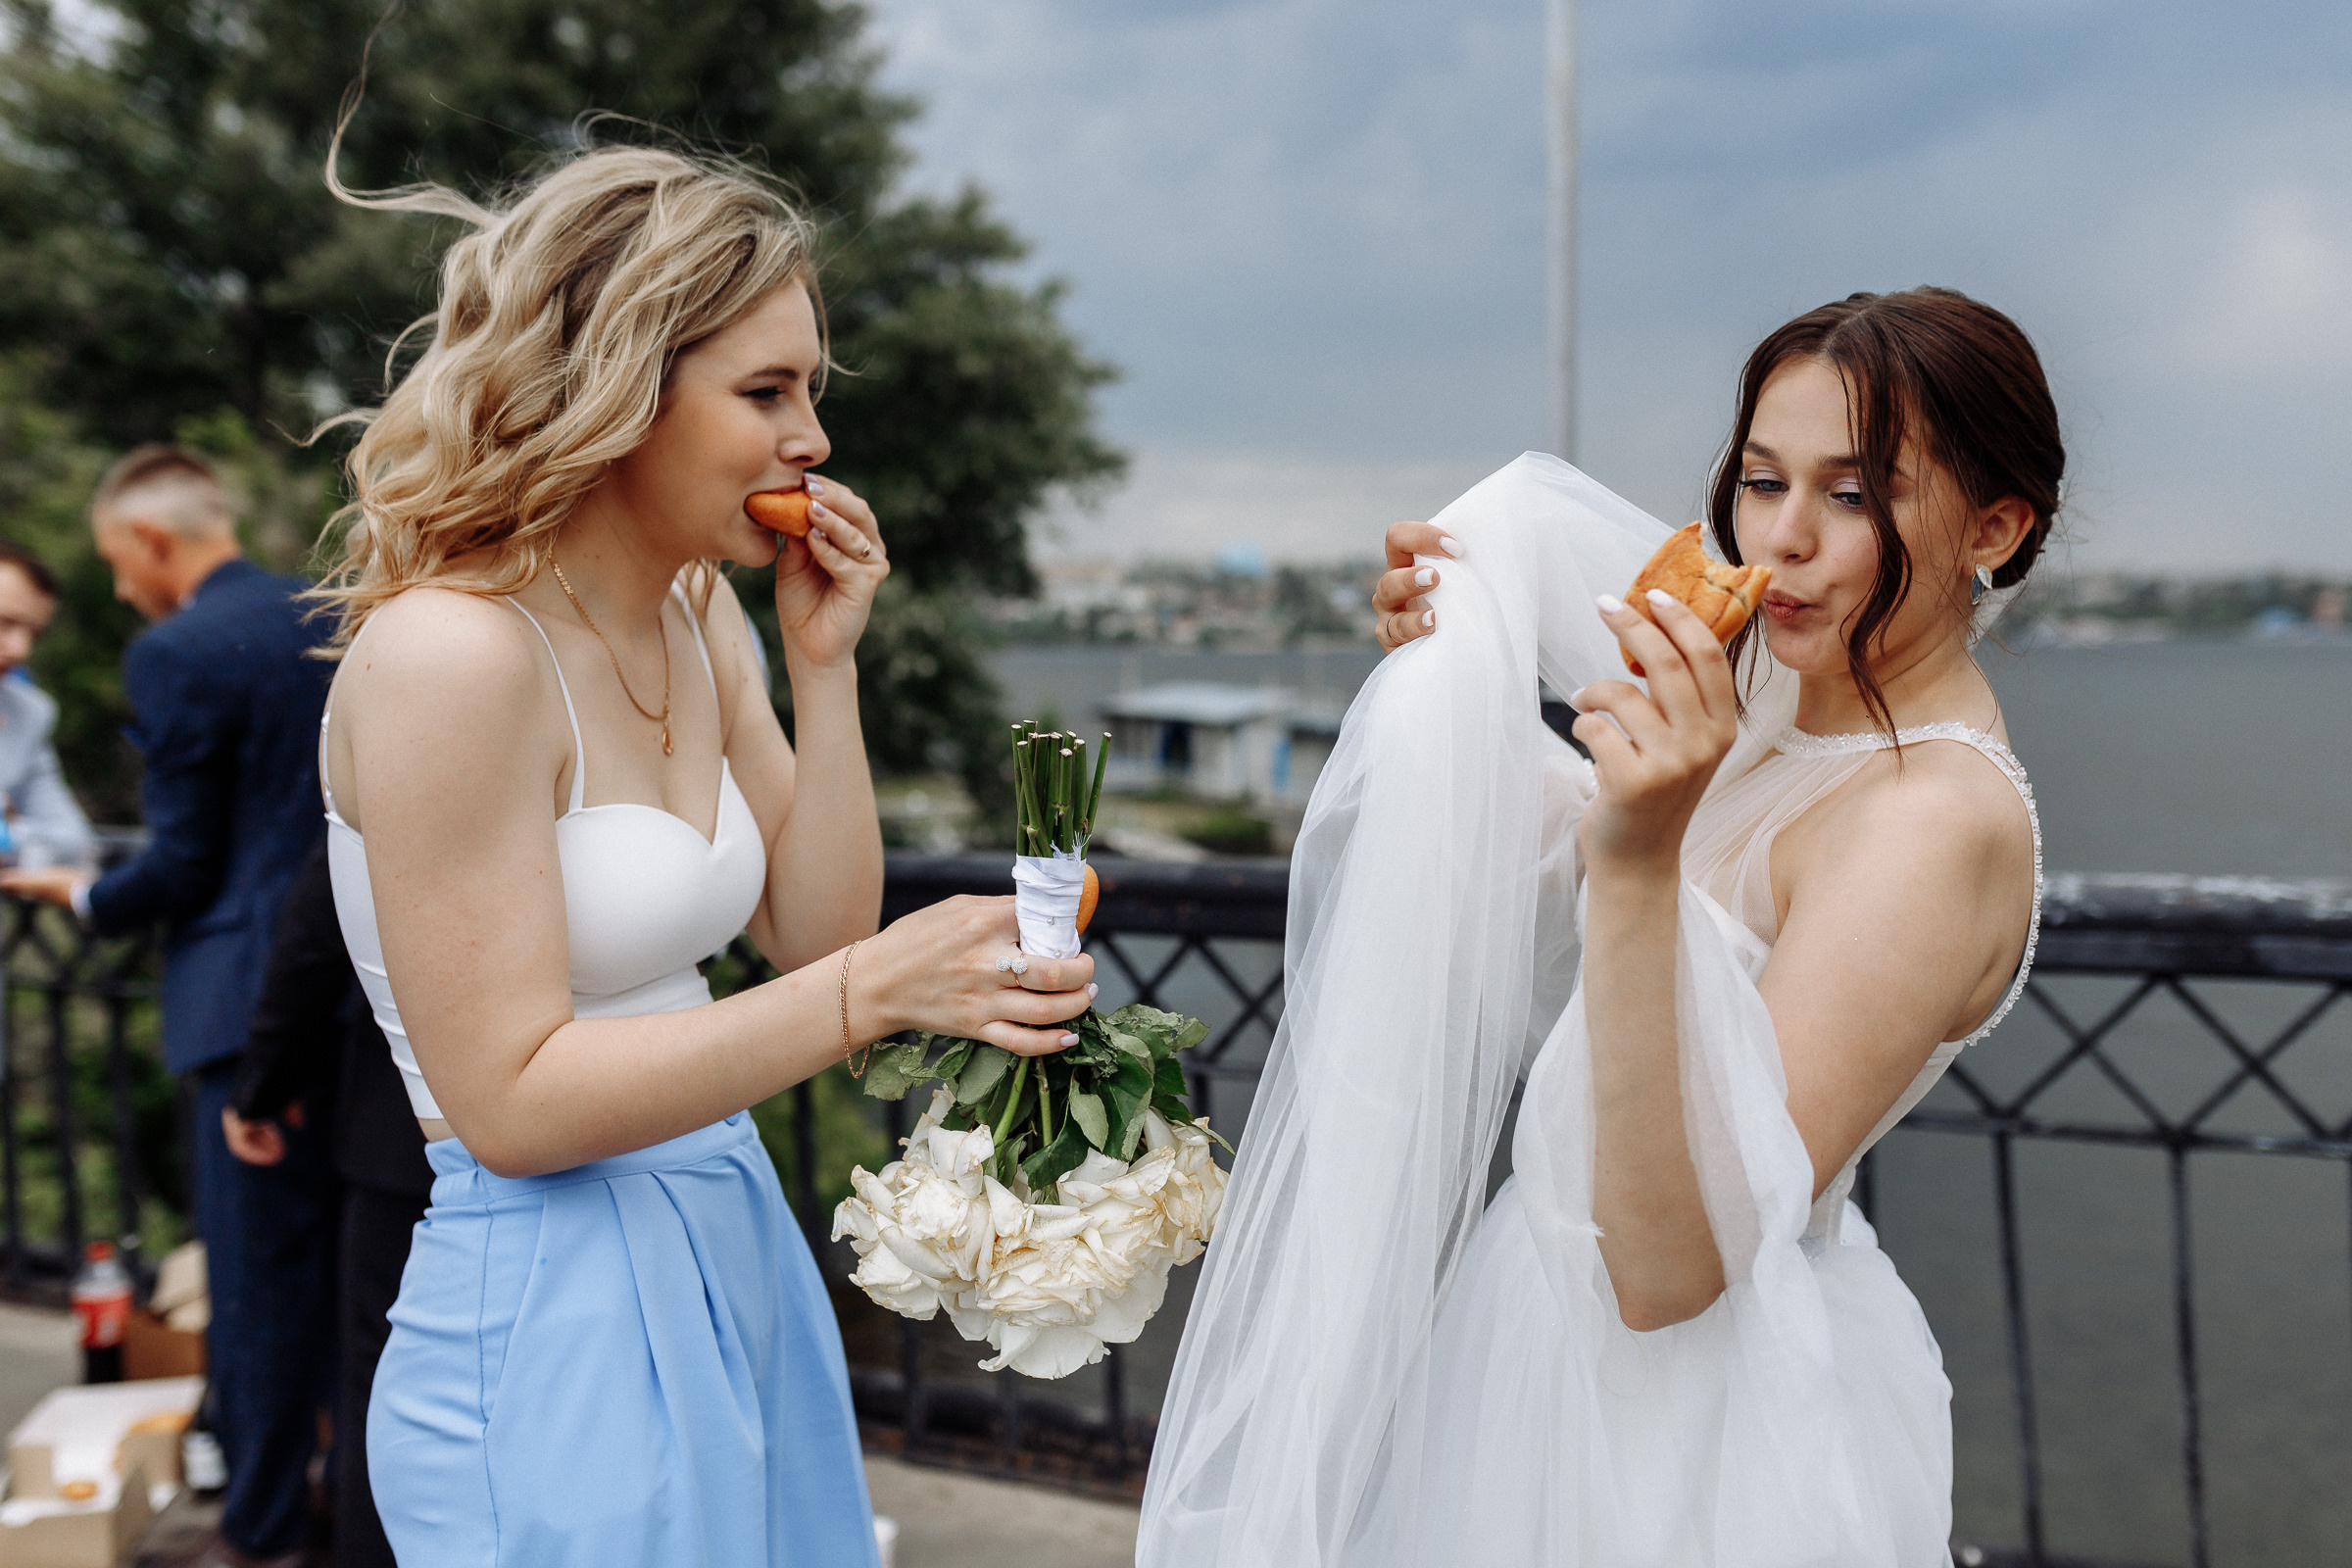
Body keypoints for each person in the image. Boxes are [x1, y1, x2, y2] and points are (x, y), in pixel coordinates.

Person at [1140, 287, 2056, 1564]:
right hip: (1530, 1326)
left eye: (1854, 495)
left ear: (1993, 530)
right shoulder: (1779, 713)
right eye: (1758, 480)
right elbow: (1581, 878)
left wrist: (1637, 864)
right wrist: (1450, 674)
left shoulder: (1931, 821)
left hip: (1687, 1426)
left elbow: (1673, 1268)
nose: (1778, 541)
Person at [314, 142, 1093, 1567]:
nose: (814, 441)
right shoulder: (450, 657)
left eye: (810, 392)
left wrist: (826, 669)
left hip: (731, 1241)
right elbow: (514, 1103)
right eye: (765, 392)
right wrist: (874, 1000)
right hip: (551, 1300)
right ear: (616, 386)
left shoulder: (698, 617)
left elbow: (819, 928)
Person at [2, 446, 338, 1568]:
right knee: (350, 1271)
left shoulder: (178, 651)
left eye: (113, 562)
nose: (116, 589)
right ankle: (346, 1508)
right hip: (361, 998)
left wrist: (85, 891)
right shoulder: (335, 615)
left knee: (252, 1281)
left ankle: (261, 1530)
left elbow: (186, 868)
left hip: (246, 1007)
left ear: (151, 541)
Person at [223, 834, 431, 1568]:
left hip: (409, 1139)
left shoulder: (403, 723)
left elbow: (320, 920)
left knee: (393, 1401)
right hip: (604, 1135)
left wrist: (264, 1084)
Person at [0, 540, 95, 871]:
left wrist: (9, 839)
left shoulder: (28, 712)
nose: (21, 650)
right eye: (6, 623)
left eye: (34, 634)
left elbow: (72, 841)